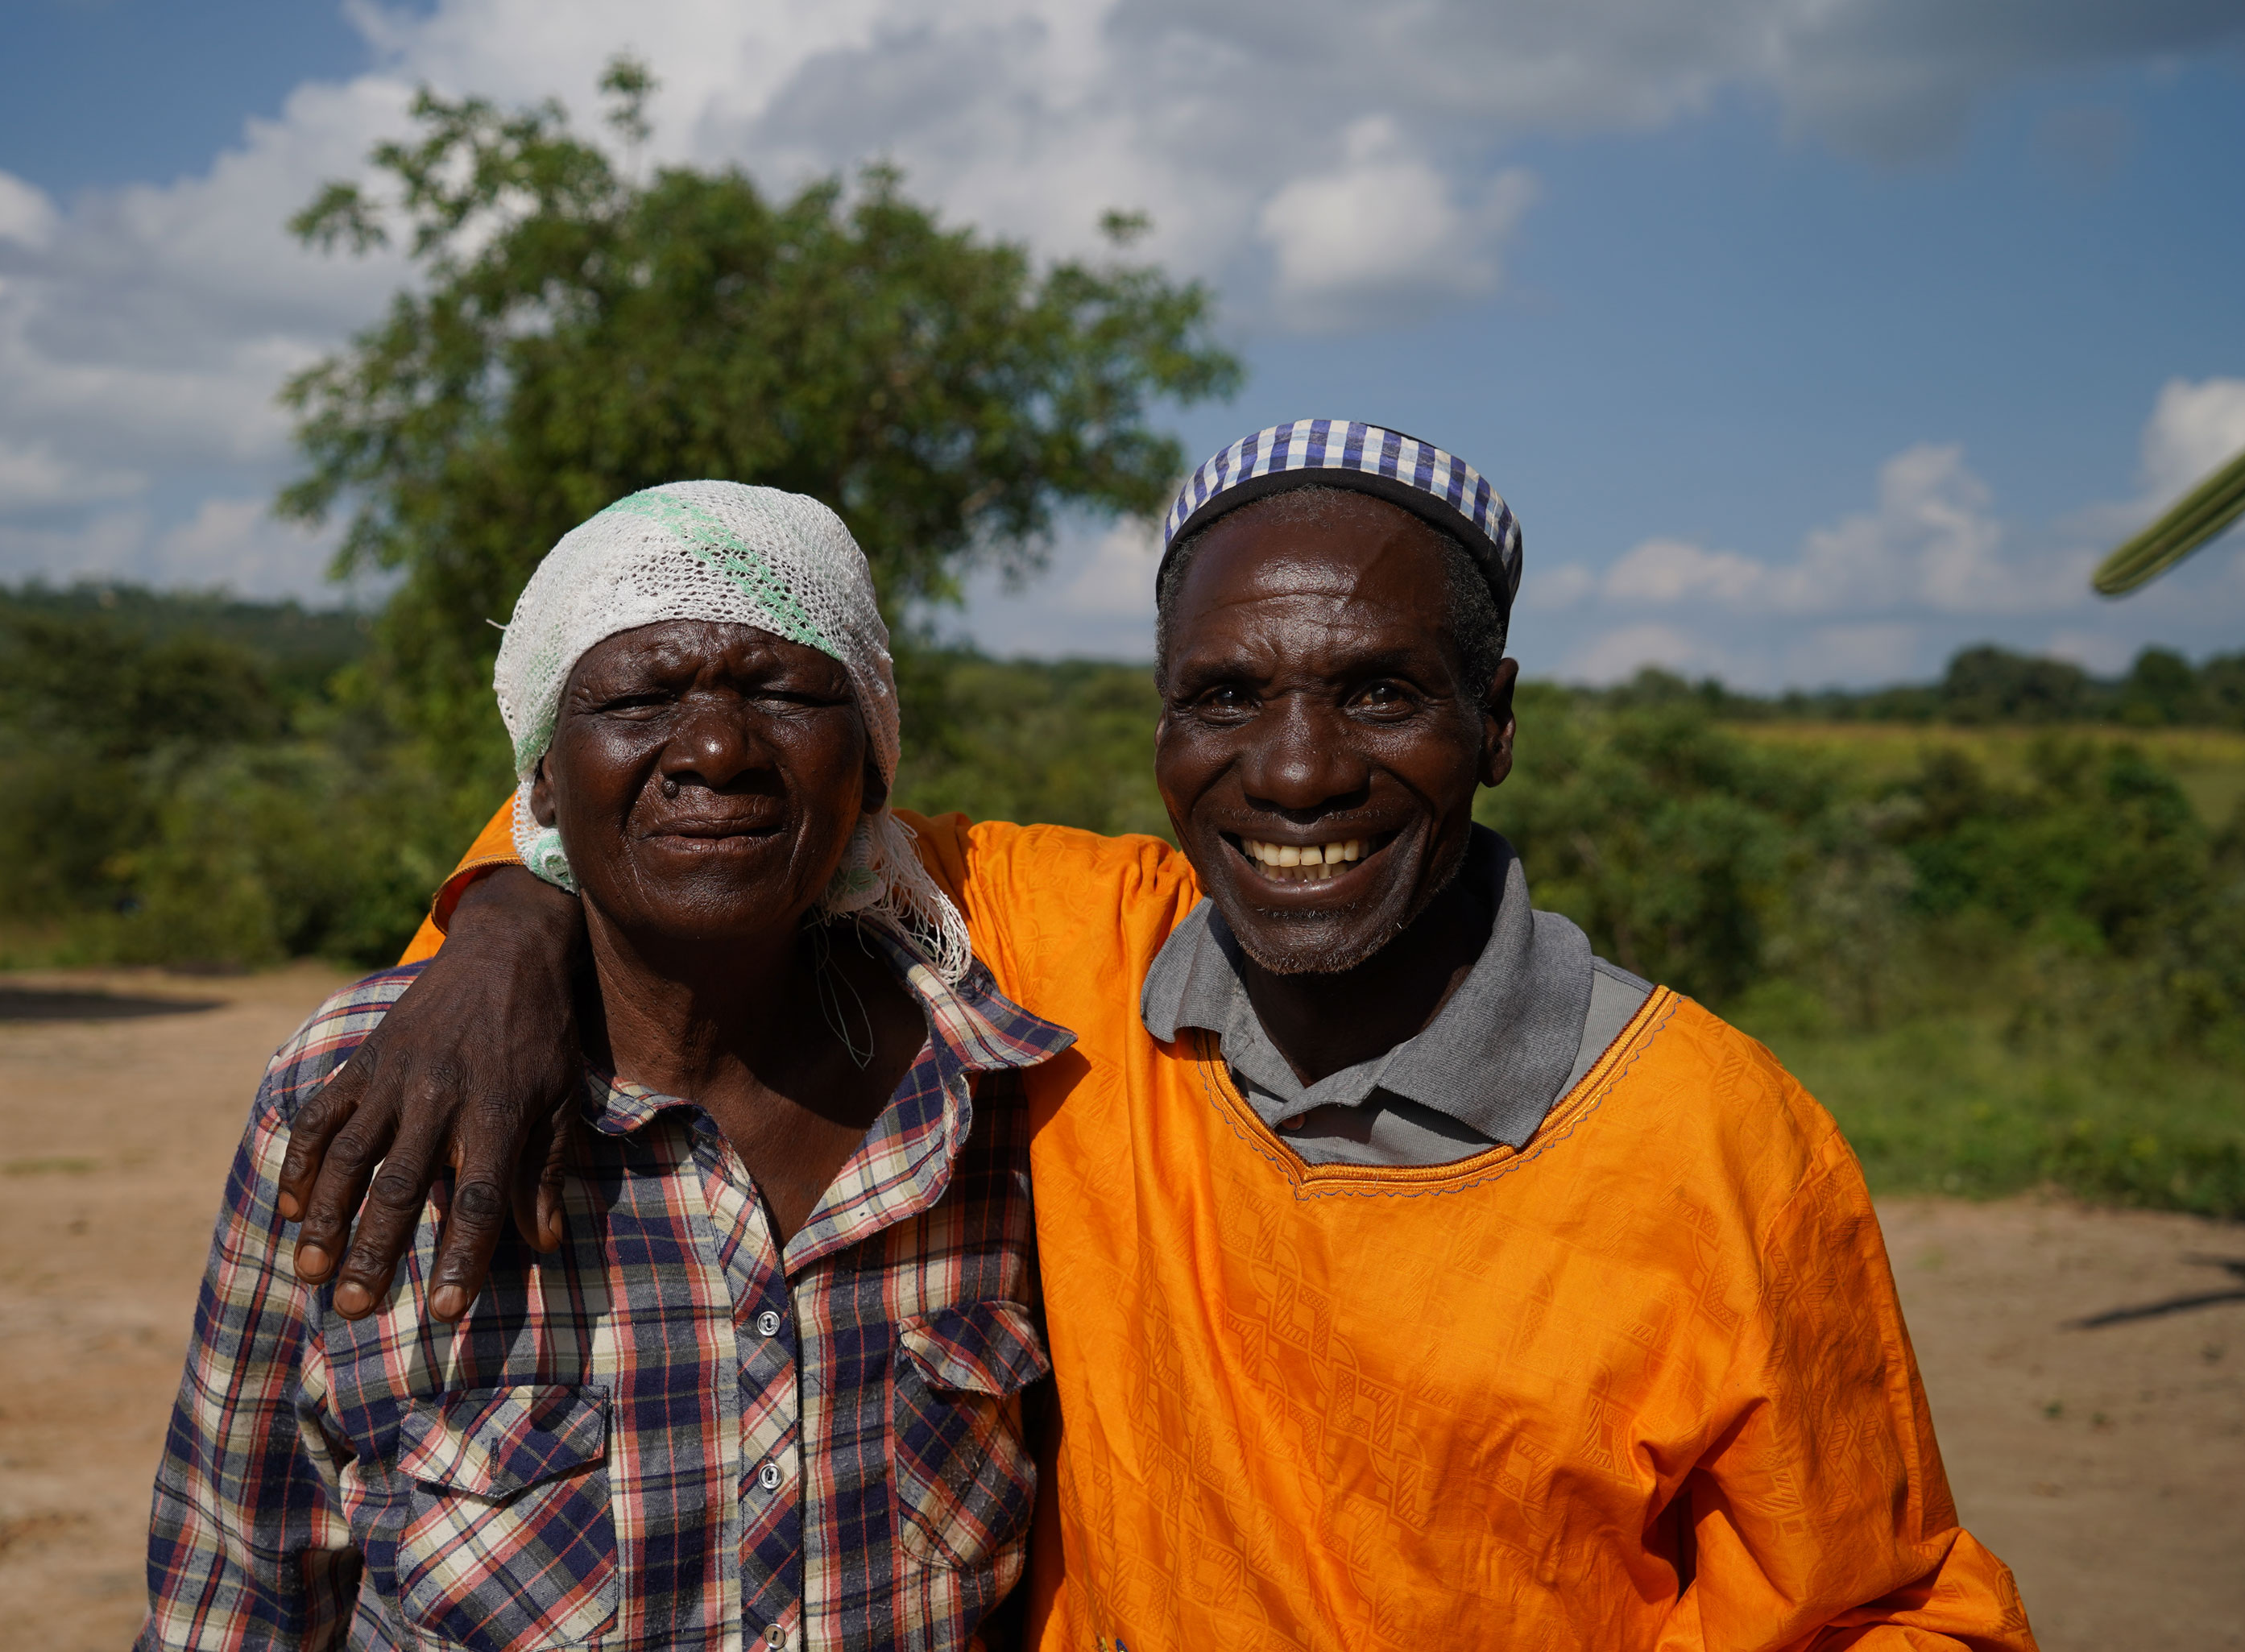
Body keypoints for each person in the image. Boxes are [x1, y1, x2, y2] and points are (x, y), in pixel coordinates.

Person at [283, 422, 2037, 1648]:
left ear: (1495, 724)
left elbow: (1882, 1611)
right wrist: (496, 926)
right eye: (1223, 698)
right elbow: (717, 805)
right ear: (1156, 725)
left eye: (1378, 691)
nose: (1293, 774)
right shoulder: (1079, 958)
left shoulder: (1712, 1140)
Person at [139, 482, 1071, 1650]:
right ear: (537, 779)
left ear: (873, 761)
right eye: (638, 698)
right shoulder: (363, 1091)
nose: (720, 750)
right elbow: (235, 1604)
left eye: (785, 691)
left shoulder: (992, 1099)